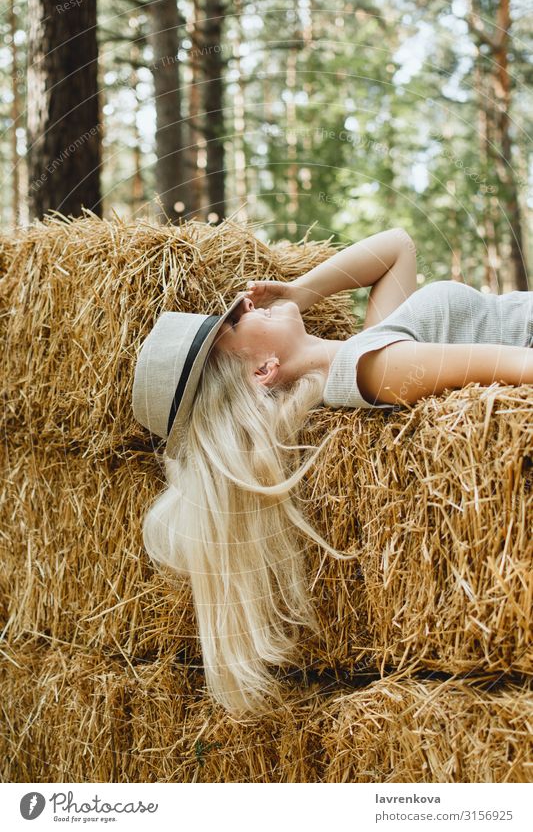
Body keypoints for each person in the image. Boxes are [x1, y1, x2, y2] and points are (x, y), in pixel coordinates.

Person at [132, 228, 533, 716]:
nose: (242, 303)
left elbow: (397, 248)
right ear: (264, 371)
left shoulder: (362, 351)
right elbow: (517, 363)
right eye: (235, 322)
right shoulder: (371, 369)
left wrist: (299, 290)